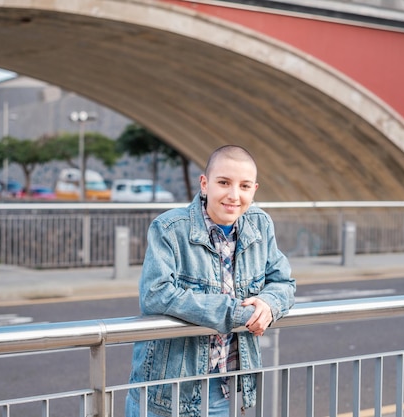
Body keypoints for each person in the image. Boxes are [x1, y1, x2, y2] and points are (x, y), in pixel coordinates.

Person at [126, 145, 296, 417]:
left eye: (244, 186)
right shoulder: (170, 228)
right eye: (224, 183)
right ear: (204, 184)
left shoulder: (260, 224)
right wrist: (236, 313)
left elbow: (284, 282)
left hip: (223, 388)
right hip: (166, 390)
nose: (233, 195)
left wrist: (269, 302)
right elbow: (155, 294)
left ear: (254, 189)